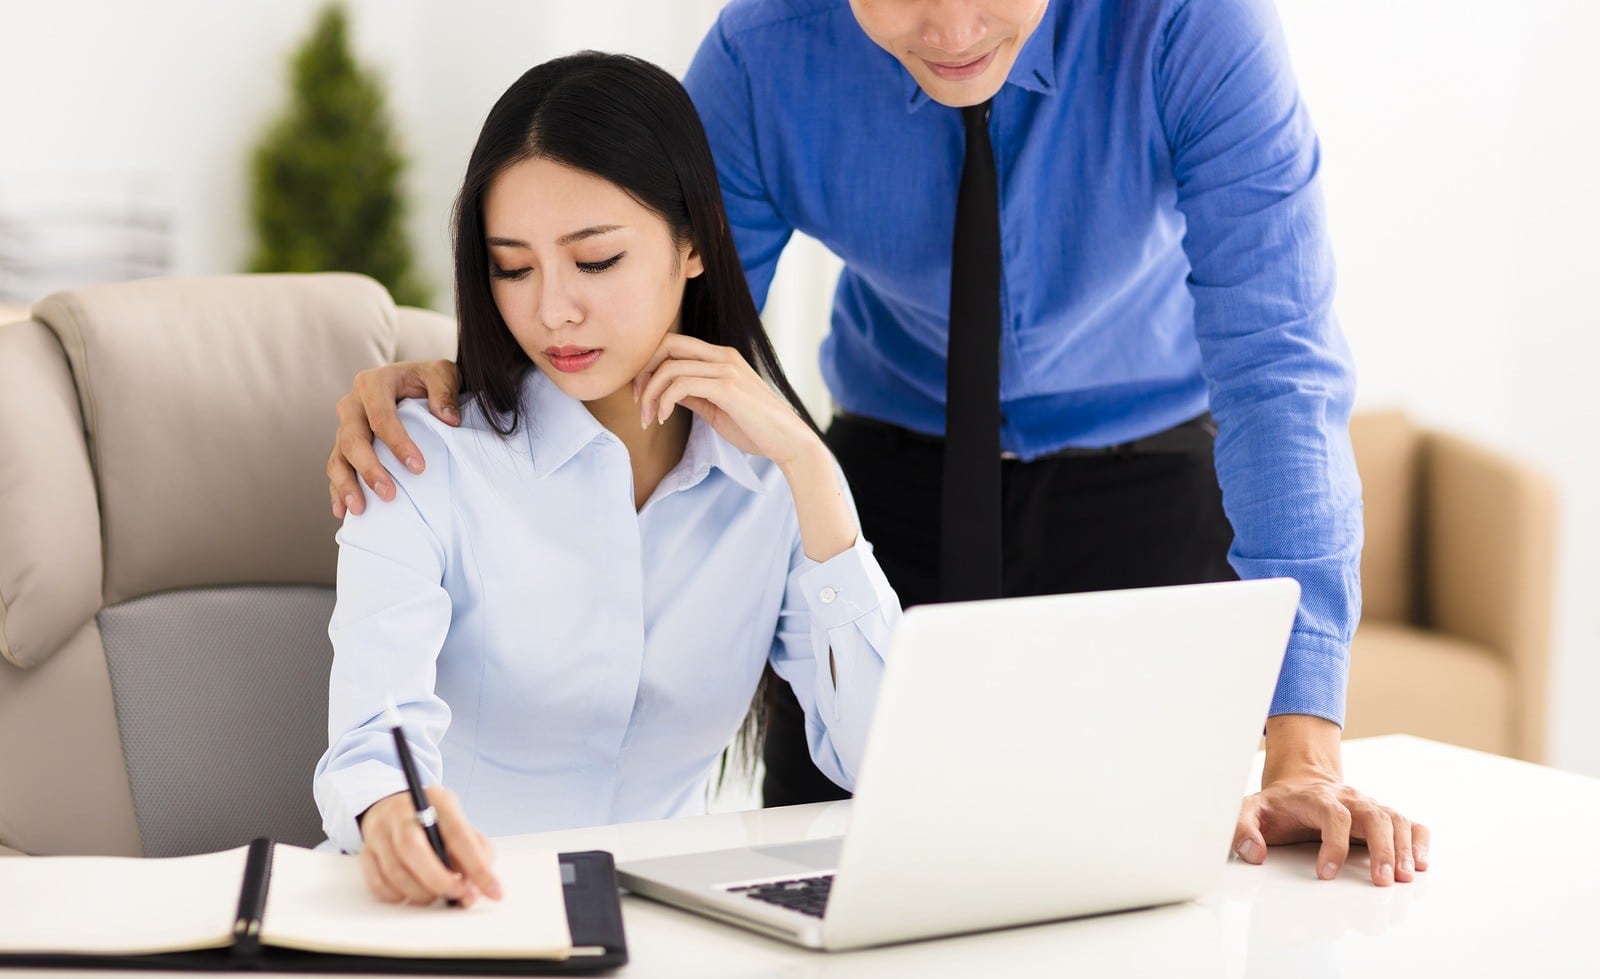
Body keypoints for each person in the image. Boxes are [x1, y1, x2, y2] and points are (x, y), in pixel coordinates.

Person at [326, 0, 1429, 888]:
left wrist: (1304, 745)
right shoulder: (766, 53)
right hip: (887, 480)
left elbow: (1278, 367)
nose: (950, 30)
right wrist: (464, 377)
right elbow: (651, 303)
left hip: (1144, 478)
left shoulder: (1191, 27)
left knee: (1143, 884)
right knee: (840, 880)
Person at [312, 51, 900, 906]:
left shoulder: (769, 479)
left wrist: (815, 472)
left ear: (693, 243)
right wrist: (394, 812)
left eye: (594, 261)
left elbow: (881, 761)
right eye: (513, 267)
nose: (552, 309)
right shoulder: (421, 456)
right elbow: (372, 739)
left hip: (674, 927)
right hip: (453, 916)